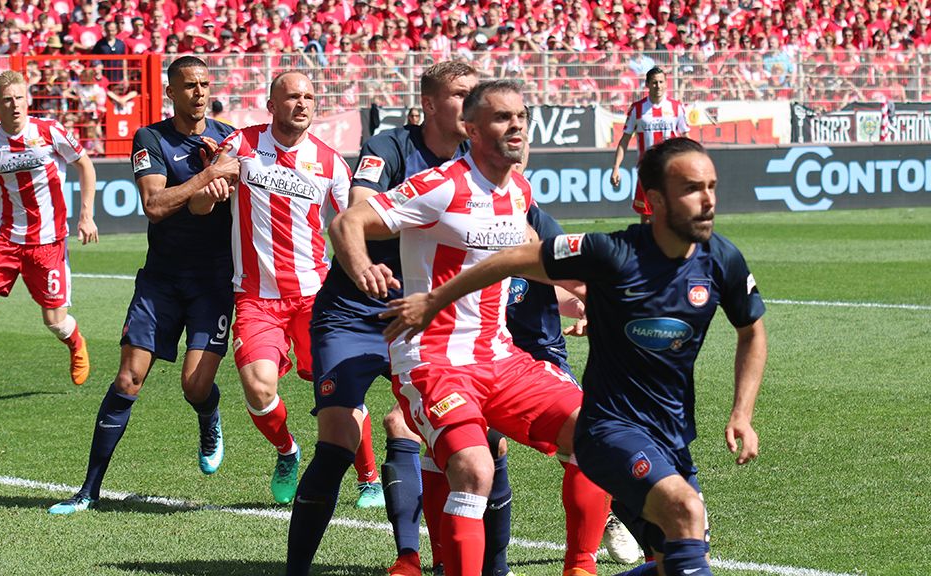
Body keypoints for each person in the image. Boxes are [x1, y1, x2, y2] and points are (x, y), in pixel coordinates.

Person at [384, 137, 768, 576]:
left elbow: (751, 331)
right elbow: (508, 260)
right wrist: (433, 301)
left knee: (679, 558)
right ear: (656, 200)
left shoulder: (722, 259)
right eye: (693, 189)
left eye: (712, 187)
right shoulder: (608, 251)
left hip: (671, 433)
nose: (709, 201)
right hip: (609, 428)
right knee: (686, 512)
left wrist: (742, 413)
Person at [329, 79, 611, 576]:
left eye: (521, 116)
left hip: (499, 356)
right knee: (475, 469)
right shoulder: (440, 184)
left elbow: (531, 259)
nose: (516, 125)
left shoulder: (518, 190)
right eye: (502, 117)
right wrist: (363, 270)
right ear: (471, 128)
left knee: (596, 433)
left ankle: (580, 568)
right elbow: (348, 222)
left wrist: (592, 294)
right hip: (432, 360)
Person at [48, 56, 241, 515]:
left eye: (204, 84)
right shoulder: (150, 138)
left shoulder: (230, 140)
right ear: (170, 92)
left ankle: (208, 414)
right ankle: (89, 491)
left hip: (213, 281)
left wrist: (218, 183)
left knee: (195, 387)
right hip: (161, 280)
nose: (199, 92)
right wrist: (209, 176)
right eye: (188, 85)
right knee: (128, 379)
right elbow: (154, 204)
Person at [214, 71, 352, 506]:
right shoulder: (240, 145)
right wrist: (212, 184)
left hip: (314, 297)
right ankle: (287, 451)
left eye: (309, 97)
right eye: (292, 97)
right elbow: (204, 197)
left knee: (338, 389)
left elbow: (354, 226)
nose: (303, 104)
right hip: (255, 297)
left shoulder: (331, 163)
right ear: (271, 105)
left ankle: (368, 477)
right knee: (258, 389)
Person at [0, 70, 98, 404]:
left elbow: (85, 165)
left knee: (54, 321)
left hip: (49, 242)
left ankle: (76, 343)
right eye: (7, 100)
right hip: (6, 240)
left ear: (28, 99)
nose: (14, 105)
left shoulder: (49, 131)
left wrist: (86, 214)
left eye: (19, 98)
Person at [610, 67, 689, 222]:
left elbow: (686, 138)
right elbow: (624, 140)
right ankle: (646, 246)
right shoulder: (637, 109)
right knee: (646, 216)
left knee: (672, 212)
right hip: (647, 169)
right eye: (654, 82)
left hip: (670, 168)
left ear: (666, 84)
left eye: (661, 82)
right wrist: (616, 168)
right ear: (647, 84)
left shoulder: (676, 107)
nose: (658, 86)